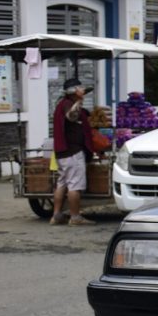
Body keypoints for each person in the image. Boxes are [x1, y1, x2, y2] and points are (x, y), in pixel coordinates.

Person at [51, 77, 96, 226]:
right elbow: (71, 116)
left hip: (62, 152)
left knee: (62, 183)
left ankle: (57, 215)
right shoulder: (68, 105)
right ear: (74, 91)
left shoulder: (62, 104)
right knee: (74, 185)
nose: (82, 91)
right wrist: (79, 101)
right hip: (72, 152)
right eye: (80, 89)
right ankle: (75, 217)